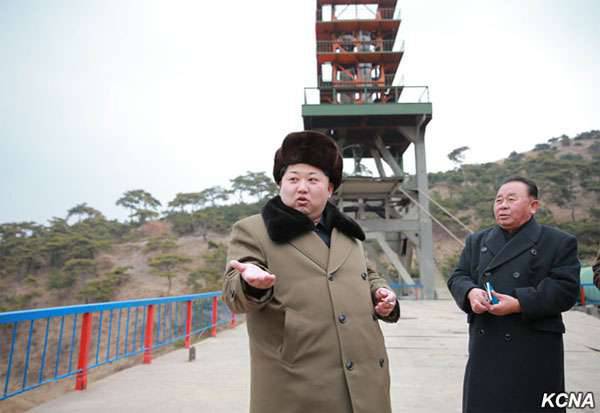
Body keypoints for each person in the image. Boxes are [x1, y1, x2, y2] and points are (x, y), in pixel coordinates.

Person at [223, 131, 400, 413]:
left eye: (313, 179)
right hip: (297, 380)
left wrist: (382, 293)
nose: (301, 187)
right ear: (281, 183)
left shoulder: (348, 234)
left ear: (330, 188)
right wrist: (252, 284)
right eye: (293, 179)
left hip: (366, 374)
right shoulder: (253, 230)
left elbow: (366, 274)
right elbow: (234, 292)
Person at [447, 176, 580, 413]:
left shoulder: (559, 242)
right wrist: (471, 292)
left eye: (511, 199)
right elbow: (458, 276)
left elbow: (565, 289)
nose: (503, 205)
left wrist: (520, 303)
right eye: (498, 200)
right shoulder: (477, 241)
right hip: (486, 347)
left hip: (535, 349)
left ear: (533, 206)